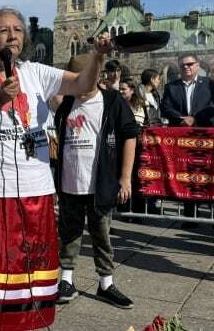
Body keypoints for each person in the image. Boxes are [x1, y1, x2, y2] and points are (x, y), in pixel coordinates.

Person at [0, 7, 111, 330]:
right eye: (4, 29)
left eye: (18, 30)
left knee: (29, 284)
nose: (12, 35)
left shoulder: (36, 72)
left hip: (34, 193)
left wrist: (98, 57)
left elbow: (82, 84)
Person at [54, 54, 138, 309]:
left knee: (101, 234)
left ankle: (106, 283)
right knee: (69, 233)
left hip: (99, 183)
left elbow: (130, 136)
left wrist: (125, 178)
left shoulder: (111, 101)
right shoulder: (67, 102)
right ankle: (66, 281)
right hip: (70, 182)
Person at [159, 53, 214, 227]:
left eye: (190, 64)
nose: (186, 67)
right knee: (186, 176)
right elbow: (165, 107)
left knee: (211, 175)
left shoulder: (208, 83)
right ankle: (189, 217)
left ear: (198, 66)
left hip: (207, 136)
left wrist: (195, 118)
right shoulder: (171, 86)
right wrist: (182, 118)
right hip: (183, 139)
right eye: (182, 65)